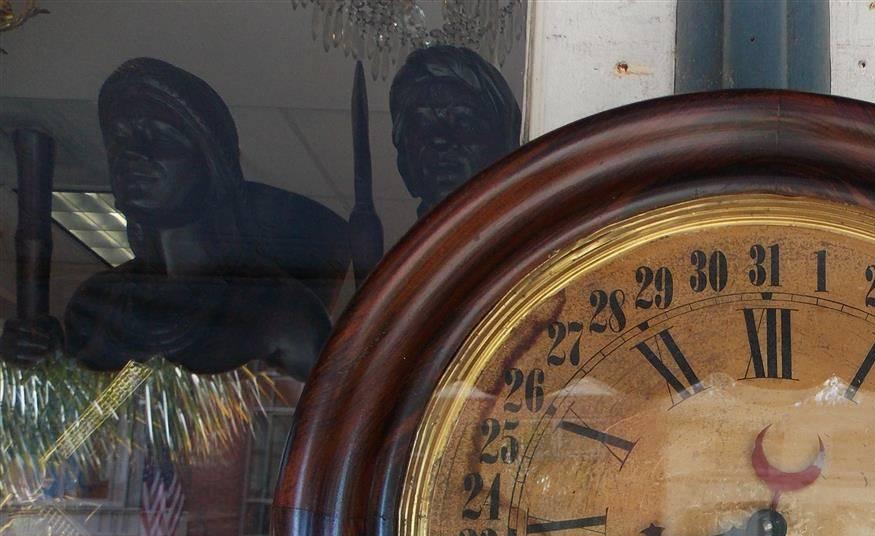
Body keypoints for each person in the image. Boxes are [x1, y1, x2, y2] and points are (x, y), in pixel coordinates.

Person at [2, 58, 333, 380]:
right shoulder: (96, 304)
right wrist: (44, 357)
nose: (130, 155)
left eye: (158, 138)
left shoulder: (284, 315)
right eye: (119, 140)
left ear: (210, 161)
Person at [389, 45, 520, 218]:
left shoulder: (537, 240)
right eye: (423, 126)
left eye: (463, 123)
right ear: (404, 165)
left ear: (503, 148)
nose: (439, 140)